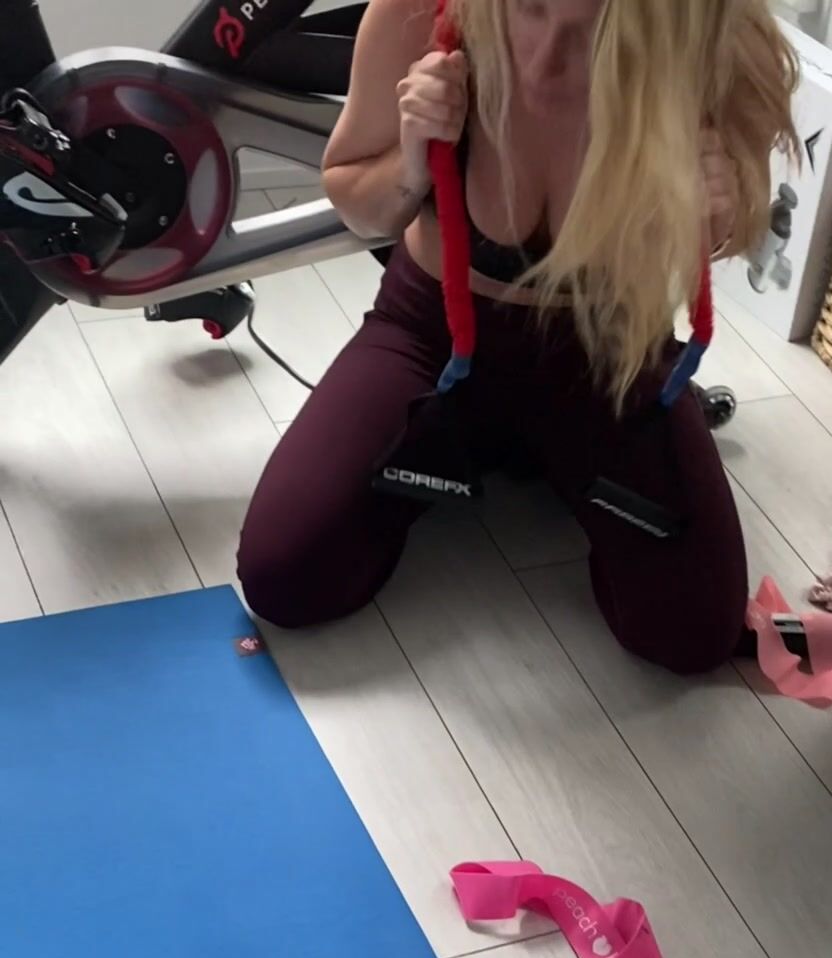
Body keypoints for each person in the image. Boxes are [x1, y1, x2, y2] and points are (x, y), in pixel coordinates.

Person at [237, 0, 797, 674]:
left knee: (691, 634)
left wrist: (711, 215)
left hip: (607, 353)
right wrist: (413, 158)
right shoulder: (419, 14)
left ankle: (530, 447)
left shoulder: (715, 37)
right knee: (283, 577)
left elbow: (723, 242)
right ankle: (510, 448)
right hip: (432, 335)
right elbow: (358, 203)